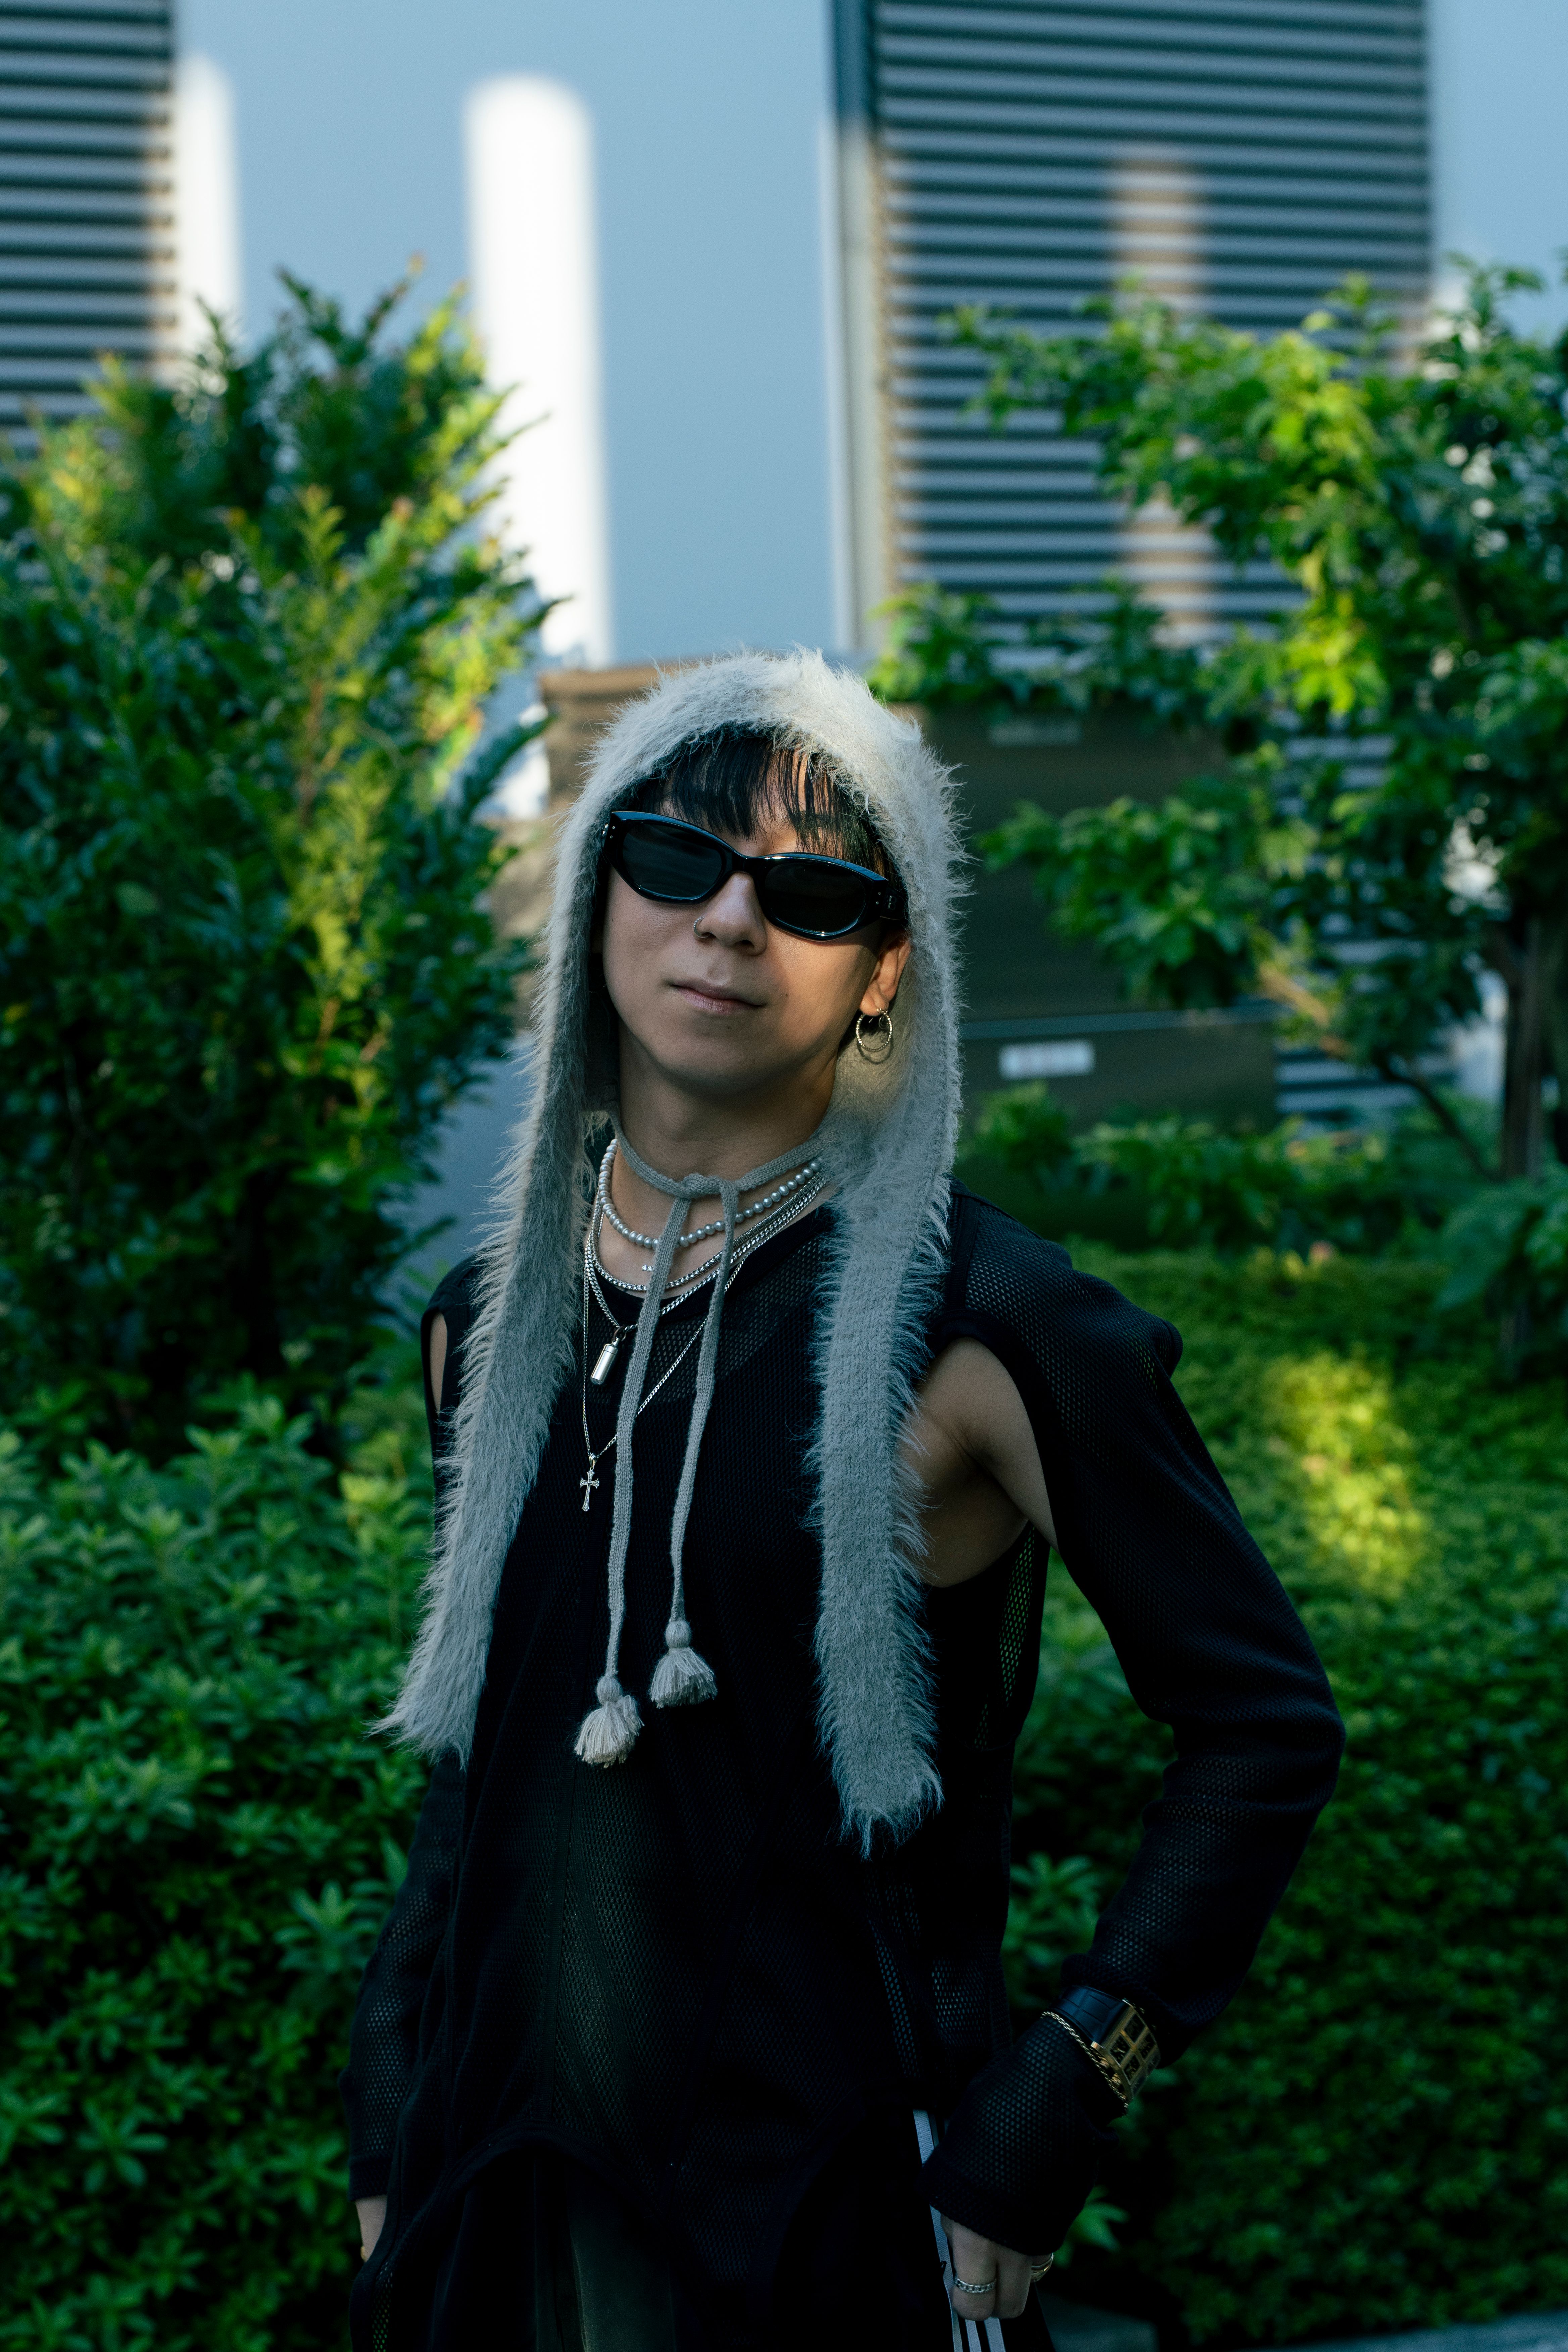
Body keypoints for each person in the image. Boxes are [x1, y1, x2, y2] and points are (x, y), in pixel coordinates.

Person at [341, 651, 1343, 2351]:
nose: (728, 921)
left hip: (820, 2220)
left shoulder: (990, 1334)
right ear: (598, 898)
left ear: (883, 972)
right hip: (489, 2189)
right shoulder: (484, 1325)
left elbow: (1262, 1728)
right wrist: (388, 2083)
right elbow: (483, 1760)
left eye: (809, 893)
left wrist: (1055, 2098)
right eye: (674, 859)